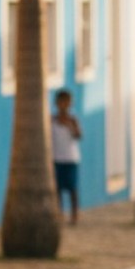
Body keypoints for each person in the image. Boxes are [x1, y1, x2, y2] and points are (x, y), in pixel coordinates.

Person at [51, 88, 82, 224]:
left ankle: (74, 215)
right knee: (57, 189)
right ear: (57, 103)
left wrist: (69, 125)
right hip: (56, 158)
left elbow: (78, 135)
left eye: (67, 102)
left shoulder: (73, 119)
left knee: (72, 189)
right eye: (61, 102)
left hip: (70, 159)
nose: (64, 105)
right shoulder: (52, 120)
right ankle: (59, 214)